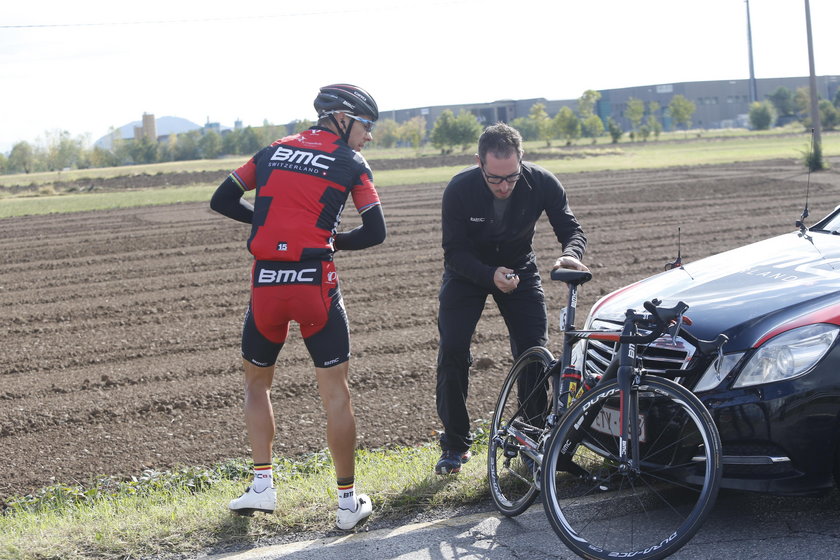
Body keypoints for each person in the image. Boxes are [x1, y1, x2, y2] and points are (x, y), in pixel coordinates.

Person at [210, 84, 386, 530]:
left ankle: (262, 487)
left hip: (267, 282)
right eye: (366, 126)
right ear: (342, 119)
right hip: (315, 284)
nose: (369, 137)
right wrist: (328, 238)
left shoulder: (270, 151)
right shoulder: (351, 163)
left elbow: (221, 199)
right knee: (336, 395)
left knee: (256, 386)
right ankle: (348, 506)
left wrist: (270, 221)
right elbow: (375, 231)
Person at [434, 122, 588, 475]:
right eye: (495, 179)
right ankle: (455, 445)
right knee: (453, 350)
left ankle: (530, 439)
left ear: (522, 159)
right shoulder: (459, 189)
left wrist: (570, 253)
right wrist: (488, 275)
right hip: (467, 274)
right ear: (479, 163)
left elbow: (570, 228)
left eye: (511, 177)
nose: (504, 186)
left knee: (534, 352)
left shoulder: (542, 182)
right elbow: (453, 251)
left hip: (520, 269)